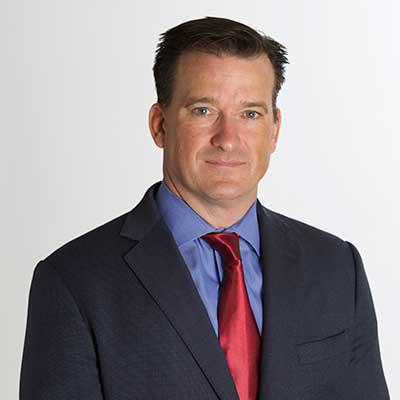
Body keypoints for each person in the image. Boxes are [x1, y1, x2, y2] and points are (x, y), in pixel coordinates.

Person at [20, 16, 390, 400]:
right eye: (203, 110)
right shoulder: (74, 282)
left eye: (250, 113)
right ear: (160, 125)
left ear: (274, 129)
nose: (228, 139)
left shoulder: (336, 267)